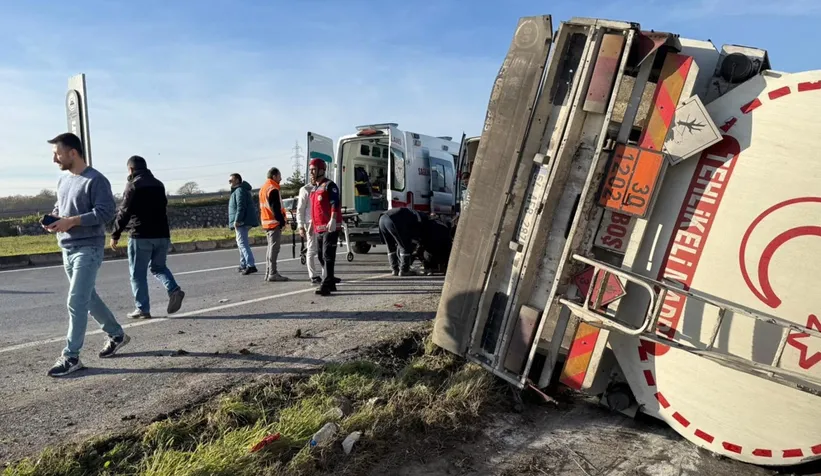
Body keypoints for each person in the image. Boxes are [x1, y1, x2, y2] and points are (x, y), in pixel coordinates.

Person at [43, 132, 130, 377]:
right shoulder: (63, 181)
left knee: (76, 300)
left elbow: (105, 212)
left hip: (88, 249)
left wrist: (71, 221)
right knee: (88, 298)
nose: (54, 159)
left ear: (73, 152)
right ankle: (117, 334)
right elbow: (60, 209)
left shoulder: (96, 180)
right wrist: (54, 220)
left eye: (57, 153)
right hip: (67, 248)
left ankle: (71, 357)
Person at [110, 156, 185, 319]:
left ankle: (142, 308)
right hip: (162, 234)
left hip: (140, 235)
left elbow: (124, 211)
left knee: (137, 274)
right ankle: (174, 289)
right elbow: (163, 206)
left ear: (130, 169)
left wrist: (115, 234)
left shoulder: (133, 184)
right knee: (159, 267)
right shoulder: (159, 184)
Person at [308, 158, 342, 296]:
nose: (311, 173)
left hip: (330, 227)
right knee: (321, 256)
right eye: (310, 170)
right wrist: (311, 223)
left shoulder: (329, 185)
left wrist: (333, 219)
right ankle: (331, 281)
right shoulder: (315, 188)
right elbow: (315, 208)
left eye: (313, 170)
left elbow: (335, 203)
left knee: (328, 255)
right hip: (319, 227)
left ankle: (326, 285)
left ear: (321, 170)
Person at [259, 167, 289, 282]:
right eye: (279, 176)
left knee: (270, 249)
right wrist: (281, 222)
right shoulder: (273, 189)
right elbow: (275, 208)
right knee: (274, 249)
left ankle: (268, 272)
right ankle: (272, 273)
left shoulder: (264, 188)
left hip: (266, 222)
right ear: (274, 176)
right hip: (273, 223)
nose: (281, 178)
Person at [378, 206, 426, 276]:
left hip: (382, 219)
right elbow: (414, 237)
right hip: (393, 220)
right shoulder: (420, 219)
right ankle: (404, 270)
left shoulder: (411, 213)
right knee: (404, 246)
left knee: (390, 247)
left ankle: (394, 269)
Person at [228, 173, 260, 275]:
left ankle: (251, 265)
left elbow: (241, 206)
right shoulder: (239, 190)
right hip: (243, 220)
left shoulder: (239, 190)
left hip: (242, 221)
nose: (230, 183)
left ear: (237, 180)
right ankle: (243, 264)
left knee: (242, 243)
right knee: (240, 242)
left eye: (231, 180)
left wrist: (237, 220)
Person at [296, 174, 322, 284]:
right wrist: (301, 226)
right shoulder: (305, 190)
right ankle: (313, 275)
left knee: (322, 249)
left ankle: (325, 273)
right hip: (310, 223)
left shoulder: (322, 187)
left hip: (321, 221)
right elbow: (300, 209)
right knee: (311, 249)